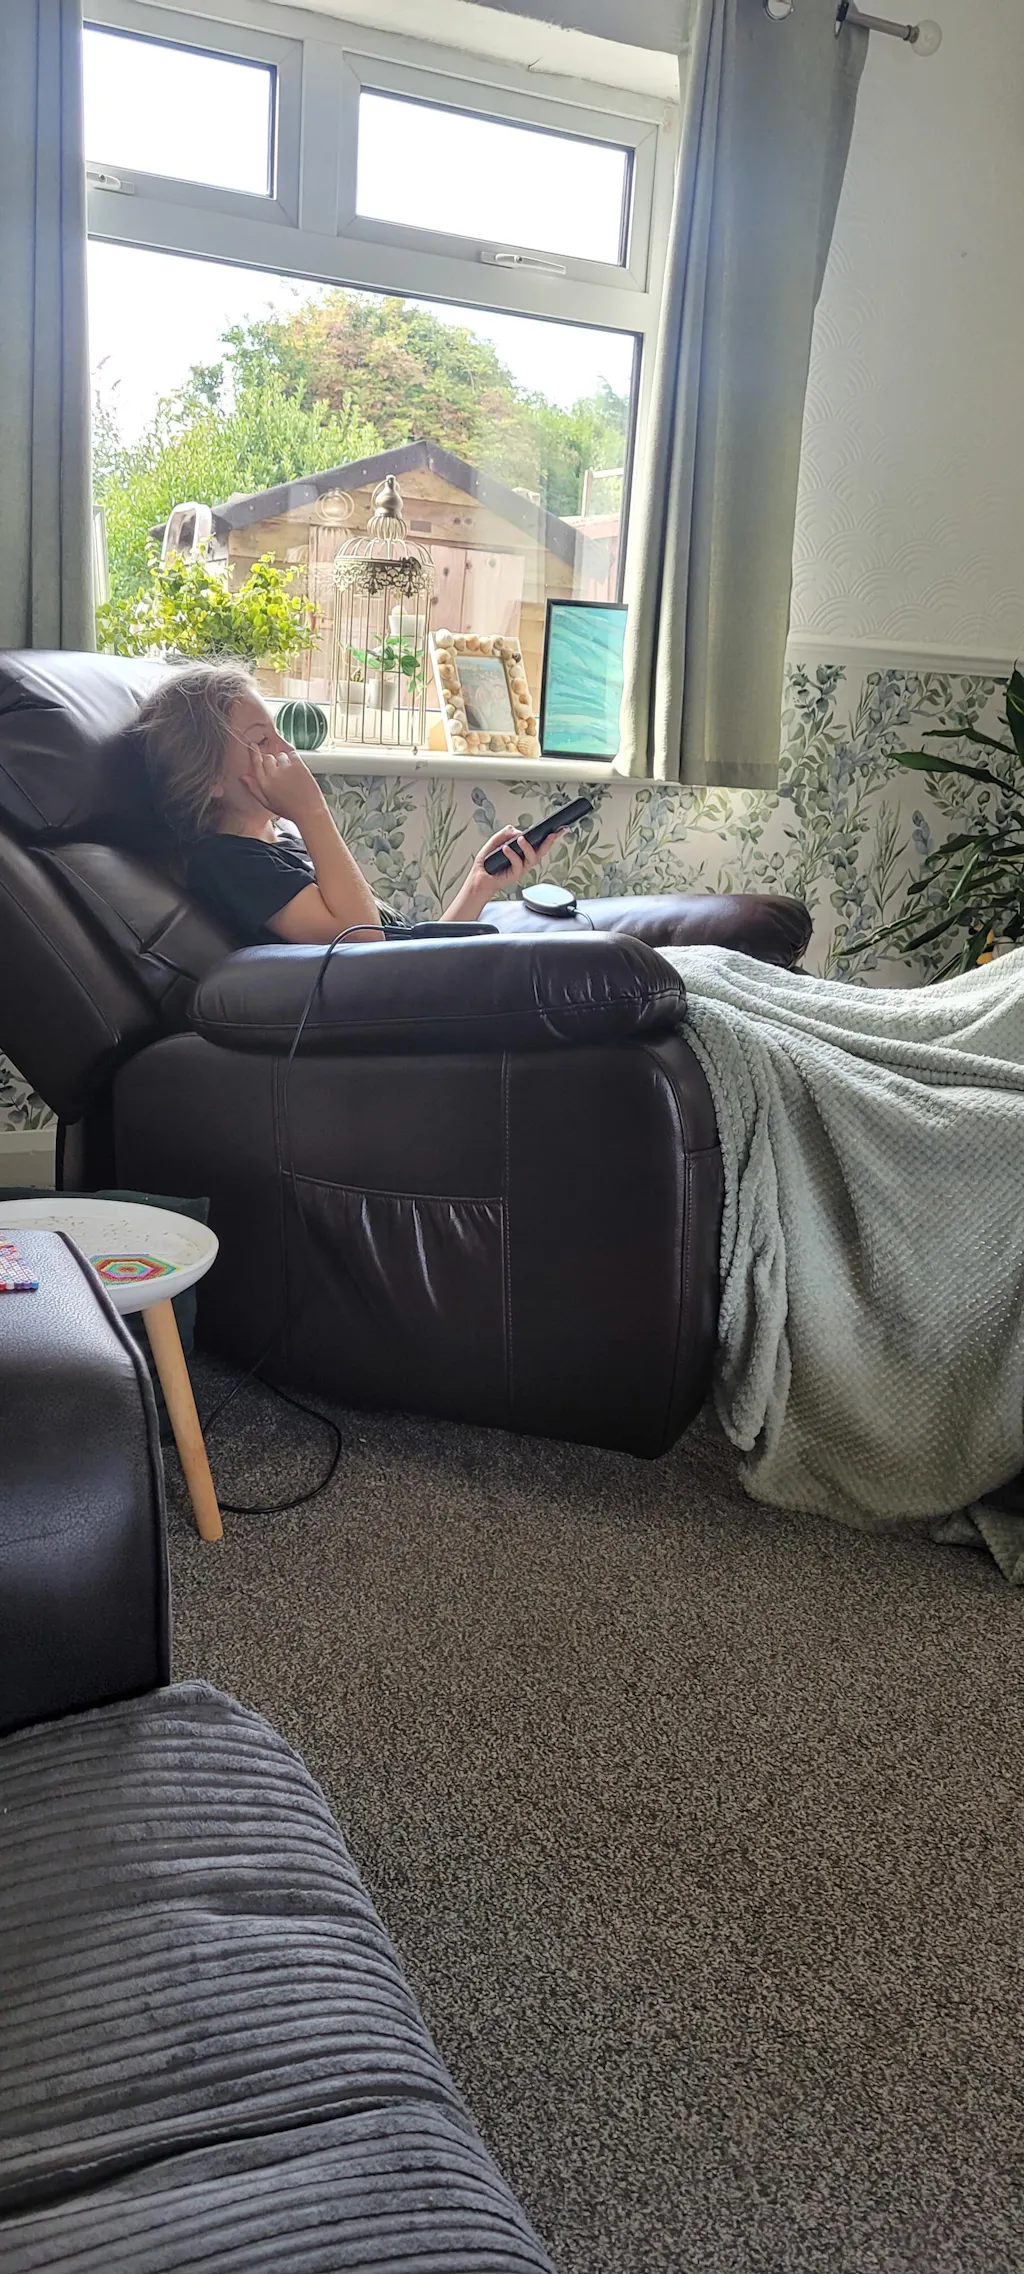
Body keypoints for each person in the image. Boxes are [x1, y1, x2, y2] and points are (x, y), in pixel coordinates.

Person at [137, 663, 555, 945]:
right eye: (262, 740)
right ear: (210, 779)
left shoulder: (280, 843)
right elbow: (362, 943)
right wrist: (312, 811)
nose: (287, 750)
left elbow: (403, 956)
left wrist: (479, 885)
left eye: (278, 732)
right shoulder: (229, 863)